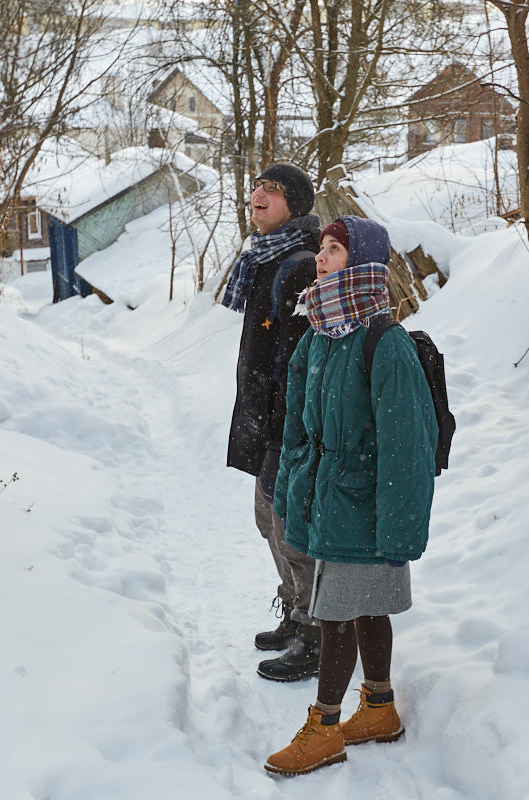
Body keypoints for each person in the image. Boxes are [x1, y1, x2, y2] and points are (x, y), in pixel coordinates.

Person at [263, 215, 438, 776]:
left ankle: (325, 727)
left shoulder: (385, 344)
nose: (321, 258)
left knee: (337, 614)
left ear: (362, 263)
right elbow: (296, 427)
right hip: (331, 502)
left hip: (367, 507)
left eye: (334, 249)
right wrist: (293, 490)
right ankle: (381, 708)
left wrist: (399, 532)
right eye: (322, 248)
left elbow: (407, 447)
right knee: (362, 609)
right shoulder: (319, 334)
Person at [223, 163, 323, 682]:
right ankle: (293, 608)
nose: (257, 193)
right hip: (263, 416)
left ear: (295, 204)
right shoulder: (265, 257)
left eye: (272, 189)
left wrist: (285, 433)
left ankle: (314, 630)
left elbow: (299, 358)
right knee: (268, 521)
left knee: (290, 527)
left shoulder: (301, 263)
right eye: (257, 184)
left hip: (285, 422)